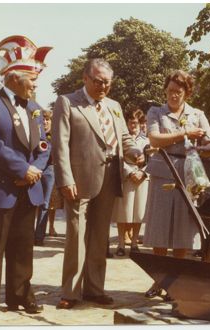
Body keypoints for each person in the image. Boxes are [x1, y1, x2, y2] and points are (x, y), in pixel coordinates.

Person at [0, 35, 52, 323]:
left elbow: (45, 146)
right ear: (15, 78)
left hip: (28, 187)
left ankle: (20, 294)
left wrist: (35, 171)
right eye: (33, 80)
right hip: (1, 188)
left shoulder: (36, 109)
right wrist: (22, 170)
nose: (36, 85)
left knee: (23, 246)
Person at [52, 58, 144, 309]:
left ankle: (94, 289)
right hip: (78, 181)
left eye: (107, 82)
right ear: (85, 78)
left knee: (100, 238)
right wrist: (65, 178)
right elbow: (60, 145)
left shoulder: (114, 106)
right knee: (77, 236)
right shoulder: (67, 102)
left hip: (109, 179)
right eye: (98, 81)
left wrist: (135, 151)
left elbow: (124, 138)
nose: (103, 86)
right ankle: (71, 292)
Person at [142, 70, 210, 299]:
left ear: (187, 93)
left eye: (179, 92)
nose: (174, 96)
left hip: (187, 175)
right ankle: (159, 280)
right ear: (165, 89)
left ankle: (176, 282)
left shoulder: (198, 114)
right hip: (163, 173)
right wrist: (184, 133)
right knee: (160, 229)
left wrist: (199, 147)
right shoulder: (156, 112)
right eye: (171, 90)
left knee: (183, 230)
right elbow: (154, 139)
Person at [111, 108, 149, 256]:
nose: (133, 126)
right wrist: (129, 171)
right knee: (123, 212)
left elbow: (152, 160)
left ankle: (134, 244)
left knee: (138, 213)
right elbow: (117, 158)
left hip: (142, 179)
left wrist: (143, 172)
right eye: (130, 123)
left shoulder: (147, 140)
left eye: (136, 123)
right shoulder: (121, 140)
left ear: (141, 124)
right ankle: (121, 244)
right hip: (126, 177)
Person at [34, 109, 55, 246]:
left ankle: (39, 236)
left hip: (50, 171)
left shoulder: (56, 136)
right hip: (35, 169)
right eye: (43, 119)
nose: (45, 122)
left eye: (48, 119)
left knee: (45, 204)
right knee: (32, 202)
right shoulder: (36, 134)